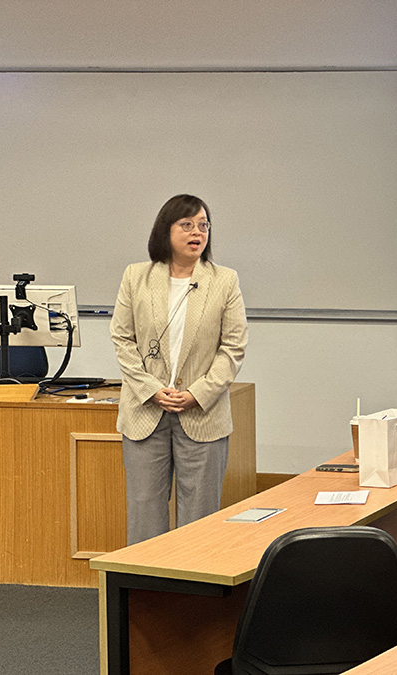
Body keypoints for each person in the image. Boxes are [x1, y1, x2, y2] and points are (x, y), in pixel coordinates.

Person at [110, 194, 248, 545]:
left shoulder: (224, 280)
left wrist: (197, 393)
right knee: (144, 511)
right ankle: (145, 580)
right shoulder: (136, 276)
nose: (197, 232)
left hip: (202, 413)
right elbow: (122, 338)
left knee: (200, 516)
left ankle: (192, 582)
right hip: (145, 411)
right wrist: (151, 389)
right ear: (165, 230)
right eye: (187, 224)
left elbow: (233, 347)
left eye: (203, 225)